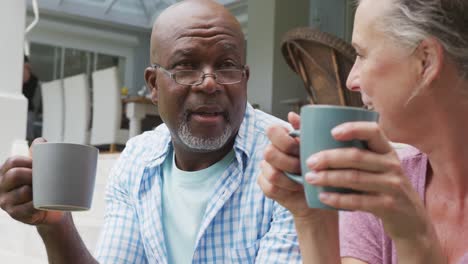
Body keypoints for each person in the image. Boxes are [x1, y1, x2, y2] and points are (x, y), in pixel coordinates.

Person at [0, 0, 301, 263]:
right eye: (186, 66)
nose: (210, 83)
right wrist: (55, 224)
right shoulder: (137, 161)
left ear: (244, 79)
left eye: (226, 66)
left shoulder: (288, 160)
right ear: (154, 85)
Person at [258, 0, 468, 263]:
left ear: (425, 61)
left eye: (361, 54)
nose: (351, 81)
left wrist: (414, 236)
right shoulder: (382, 183)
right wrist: (311, 217)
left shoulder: (390, 192)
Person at [23, 55, 42, 143]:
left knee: (28, 134)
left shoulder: (33, 79)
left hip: (29, 110)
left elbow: (29, 94)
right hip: (24, 109)